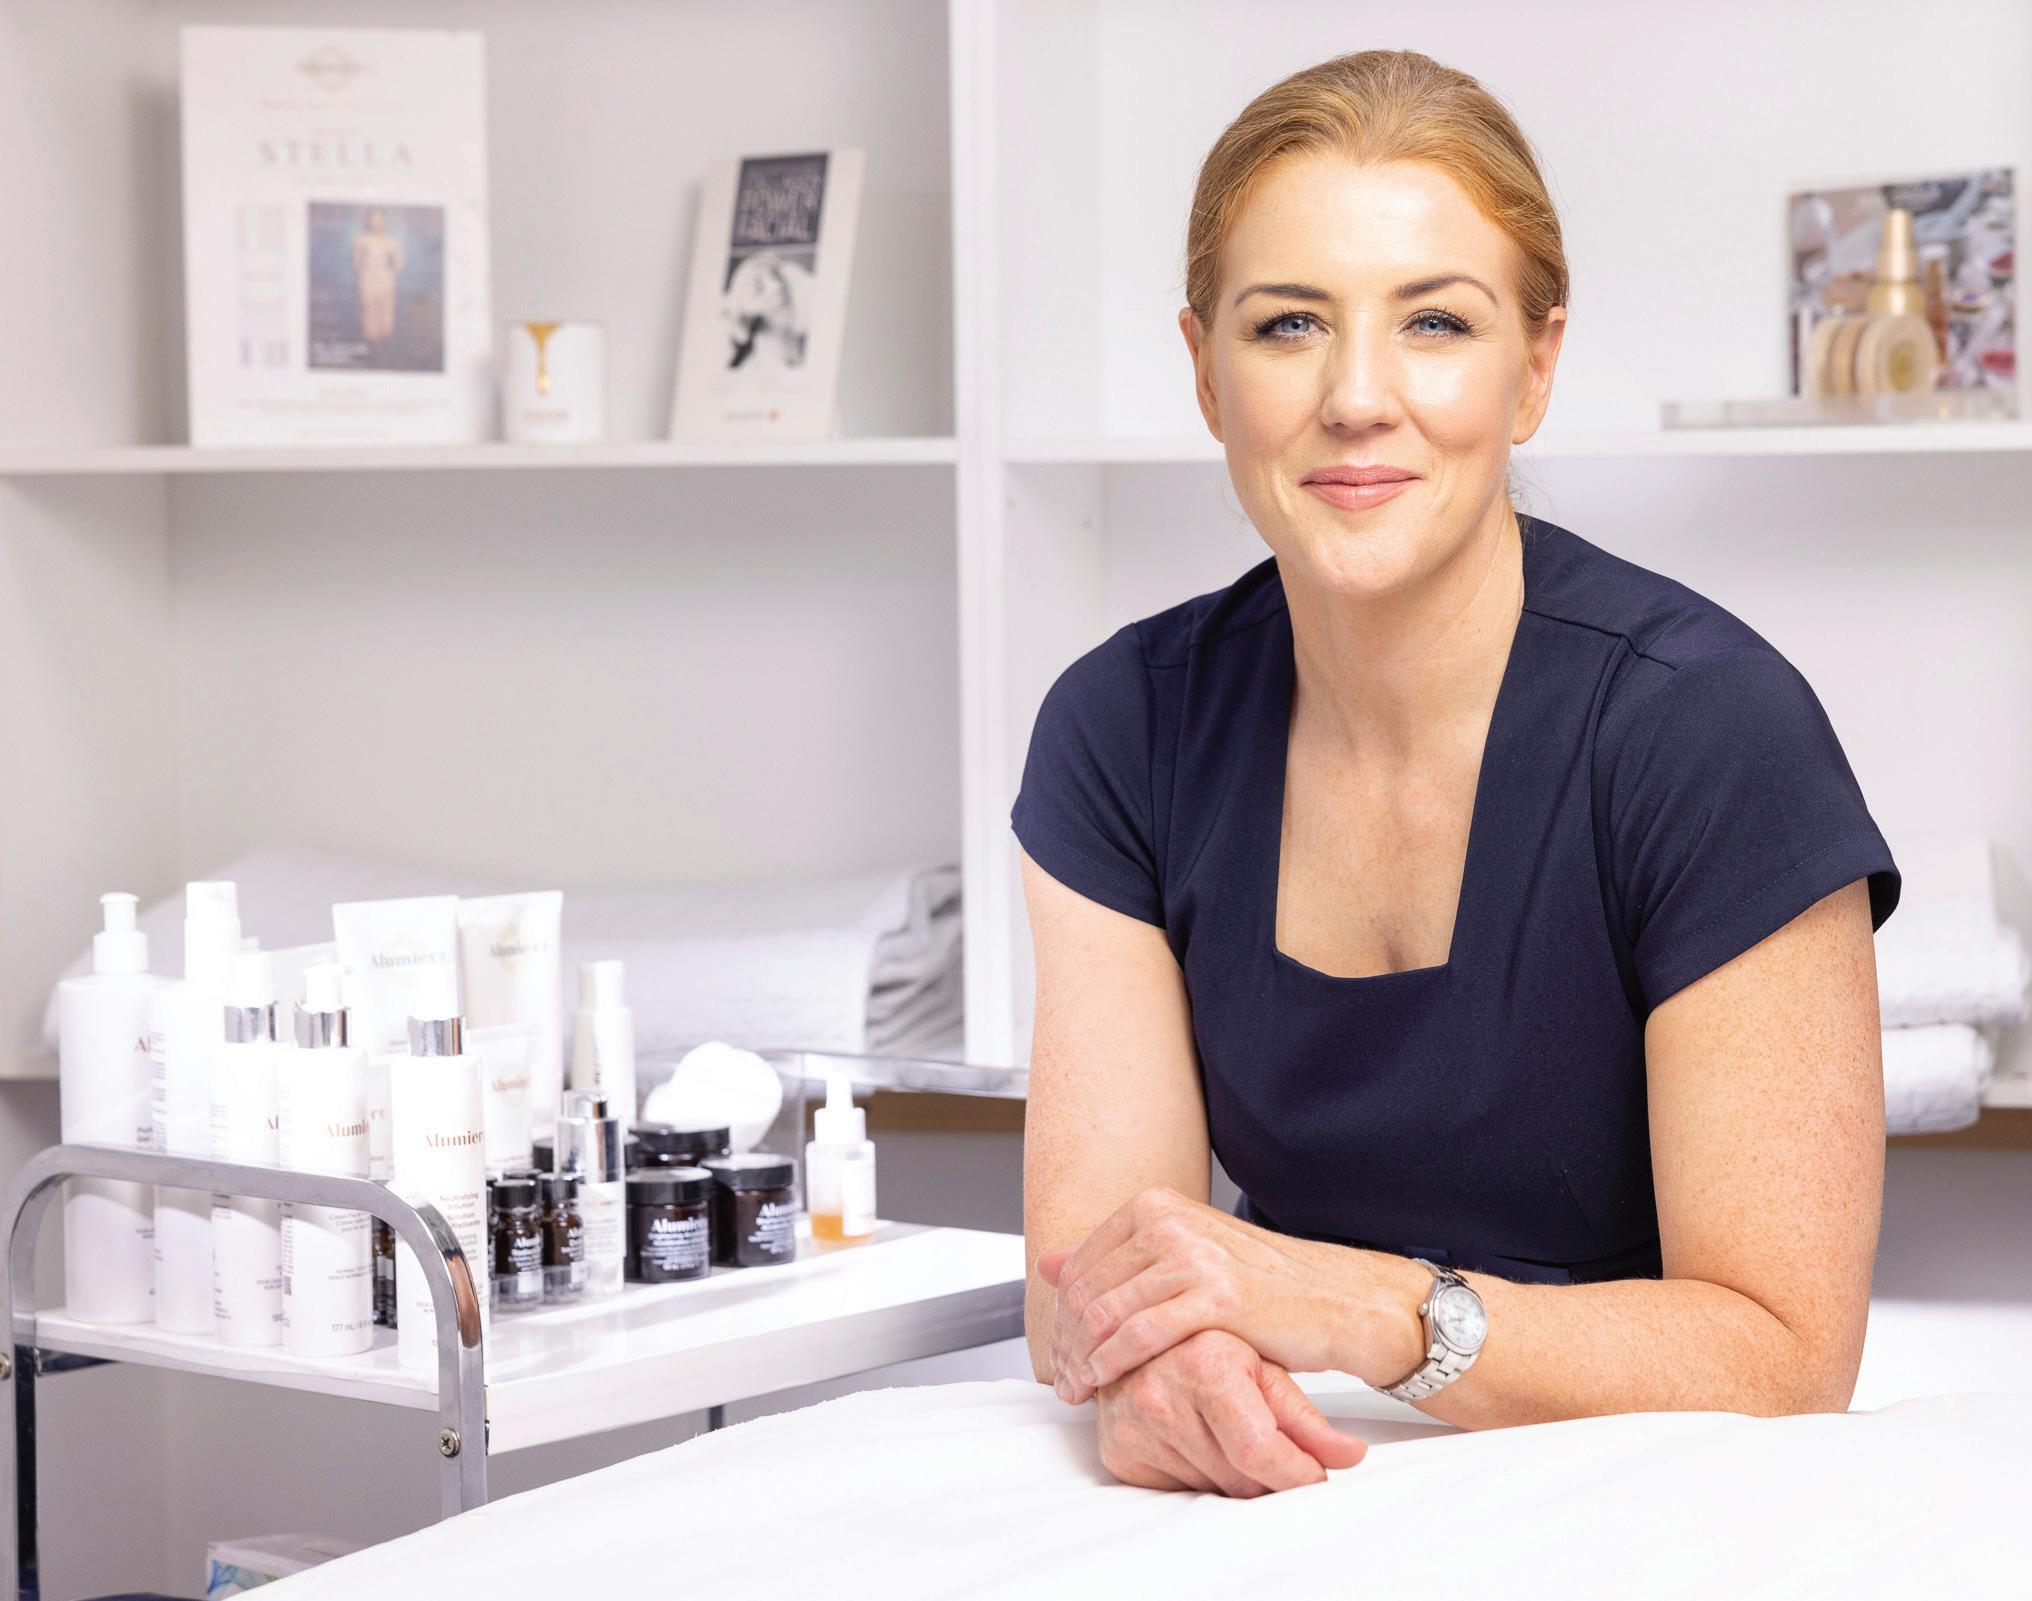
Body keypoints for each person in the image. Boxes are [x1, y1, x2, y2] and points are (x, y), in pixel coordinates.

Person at [1013, 48, 1901, 1500]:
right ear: (1205, 371)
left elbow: (1788, 1357)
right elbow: (1084, 1278)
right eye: (1288, 324)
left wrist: (1362, 1307)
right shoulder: (1122, 728)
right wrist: (1155, 1368)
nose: (1358, 397)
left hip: (1669, 1499)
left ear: (1533, 368)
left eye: (1435, 322)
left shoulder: (1705, 728)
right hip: (1293, 1489)